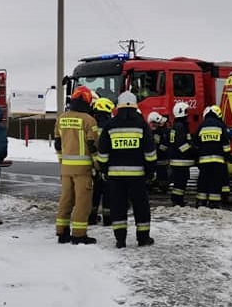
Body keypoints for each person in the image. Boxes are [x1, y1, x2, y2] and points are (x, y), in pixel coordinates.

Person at [96, 91, 157, 248]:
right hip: (138, 176)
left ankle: (120, 240)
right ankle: (143, 239)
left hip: (116, 177)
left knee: (118, 207)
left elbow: (102, 153)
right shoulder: (142, 124)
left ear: (119, 106)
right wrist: (150, 171)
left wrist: (104, 170)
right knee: (141, 207)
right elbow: (150, 152)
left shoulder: (110, 125)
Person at [54, 86, 100, 244]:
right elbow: (93, 145)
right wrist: (98, 165)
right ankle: (79, 235)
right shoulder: (89, 120)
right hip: (83, 170)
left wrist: (62, 162)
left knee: (65, 200)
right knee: (82, 202)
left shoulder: (61, 118)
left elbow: (58, 144)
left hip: (66, 168)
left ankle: (62, 232)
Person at [193, 105, 230, 209]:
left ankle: (201, 201)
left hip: (204, 161)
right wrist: (226, 156)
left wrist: (197, 158)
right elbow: (226, 144)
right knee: (215, 181)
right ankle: (214, 203)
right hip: (218, 161)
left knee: (203, 180)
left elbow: (195, 143)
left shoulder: (201, 125)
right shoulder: (220, 125)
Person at [89, 97, 115, 226]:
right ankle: (108, 219)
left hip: (92, 164)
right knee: (108, 193)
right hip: (107, 164)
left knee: (94, 193)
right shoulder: (110, 125)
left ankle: (91, 217)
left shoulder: (91, 123)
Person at [167, 102, 196, 206]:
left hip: (179, 160)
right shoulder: (180, 126)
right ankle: (177, 201)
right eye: (186, 111)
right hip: (181, 160)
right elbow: (181, 145)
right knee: (180, 182)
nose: (188, 114)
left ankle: (177, 199)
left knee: (180, 182)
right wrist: (193, 151)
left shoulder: (178, 125)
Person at [147, 111, 171, 194]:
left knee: (161, 174)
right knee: (156, 174)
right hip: (157, 158)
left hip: (160, 158)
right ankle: (154, 185)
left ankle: (158, 185)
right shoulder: (153, 133)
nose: (161, 124)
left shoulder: (159, 132)